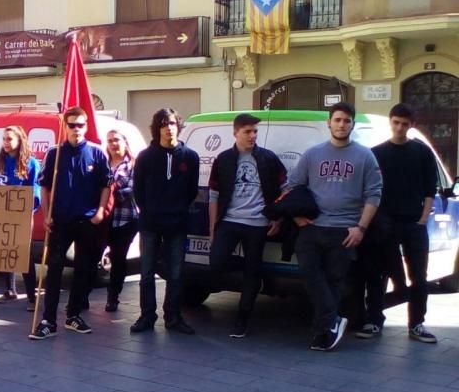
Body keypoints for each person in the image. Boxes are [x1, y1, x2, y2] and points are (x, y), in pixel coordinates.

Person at [286, 102, 382, 351]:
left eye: (346, 120)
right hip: (312, 227)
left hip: (345, 230)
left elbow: (374, 195)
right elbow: (292, 186)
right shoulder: (313, 154)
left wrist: (360, 228)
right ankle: (333, 319)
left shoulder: (364, 155)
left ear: (352, 124)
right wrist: (297, 218)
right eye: (337, 120)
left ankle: (322, 334)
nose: (341, 124)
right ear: (329, 122)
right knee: (309, 274)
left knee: (334, 281)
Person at [29, 107, 111, 340]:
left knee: (84, 270)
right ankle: (48, 320)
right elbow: (43, 186)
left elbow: (106, 184)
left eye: (80, 125)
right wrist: (46, 214)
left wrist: (100, 211)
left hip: (86, 221)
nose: (76, 129)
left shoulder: (97, 153)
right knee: (53, 270)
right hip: (60, 221)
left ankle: (73, 315)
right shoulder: (54, 154)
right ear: (65, 126)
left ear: (86, 127)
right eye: (72, 124)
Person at [207, 113, 285, 338]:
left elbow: (286, 189)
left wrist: (277, 217)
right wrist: (213, 227)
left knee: (252, 271)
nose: (252, 136)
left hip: (258, 223)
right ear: (235, 133)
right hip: (229, 221)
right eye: (247, 131)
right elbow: (213, 195)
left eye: (255, 131)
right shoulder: (223, 159)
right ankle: (254, 271)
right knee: (216, 262)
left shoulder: (268, 158)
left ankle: (242, 319)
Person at [369, 103, 438, 343]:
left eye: (405, 124)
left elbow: (431, 189)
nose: (399, 128)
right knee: (379, 274)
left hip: (413, 223)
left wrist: (422, 219)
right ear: (390, 122)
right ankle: (374, 321)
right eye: (396, 122)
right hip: (384, 223)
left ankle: (417, 324)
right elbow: (370, 190)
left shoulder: (422, 152)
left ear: (412, 126)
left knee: (419, 276)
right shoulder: (376, 152)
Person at [132, 108, 200, 335]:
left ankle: (173, 316)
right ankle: (147, 316)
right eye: (163, 124)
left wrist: (177, 208)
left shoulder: (190, 157)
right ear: (157, 128)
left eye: (171, 123)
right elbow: (138, 190)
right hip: (150, 222)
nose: (168, 127)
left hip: (177, 222)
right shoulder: (145, 156)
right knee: (147, 271)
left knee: (177, 272)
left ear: (178, 126)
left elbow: (191, 190)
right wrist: (150, 209)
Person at [0, 125, 40, 311]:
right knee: (6, 251)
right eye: (4, 139)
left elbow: (34, 189)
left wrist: (28, 207)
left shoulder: (30, 163)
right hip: (3, 213)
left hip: (22, 214)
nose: (6, 142)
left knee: (24, 254)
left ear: (20, 141)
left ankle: (31, 296)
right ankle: (10, 289)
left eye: (9, 139)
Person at [103, 129, 139, 313]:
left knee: (118, 259)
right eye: (109, 141)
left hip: (126, 220)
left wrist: (108, 193)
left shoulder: (133, 164)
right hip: (103, 219)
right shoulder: (102, 163)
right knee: (90, 257)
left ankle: (113, 297)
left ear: (125, 142)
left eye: (116, 140)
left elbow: (132, 191)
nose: (113, 144)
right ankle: (81, 297)